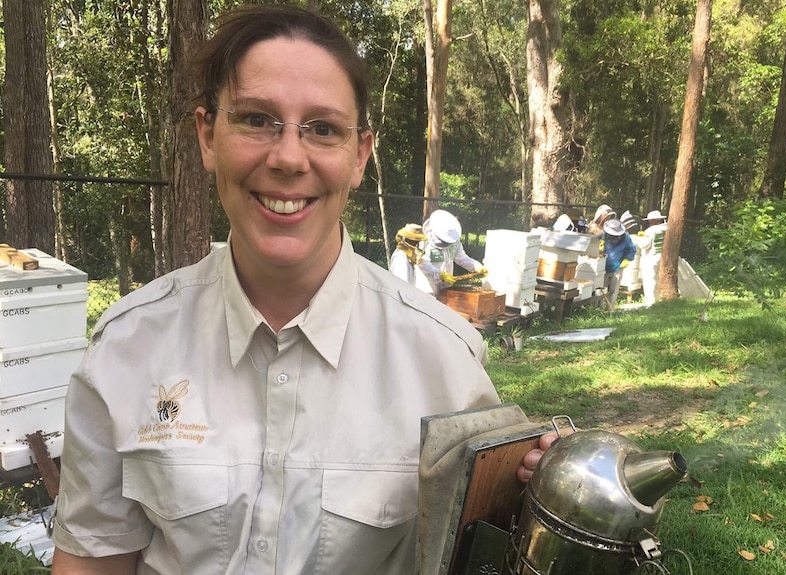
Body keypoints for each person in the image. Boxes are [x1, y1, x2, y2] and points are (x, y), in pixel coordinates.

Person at [50, 6, 543, 574]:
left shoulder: (445, 366)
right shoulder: (125, 351)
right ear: (208, 136)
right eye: (257, 120)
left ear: (360, 156)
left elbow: (481, 552)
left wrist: (536, 497)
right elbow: (91, 562)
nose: (287, 158)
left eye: (324, 128)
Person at [415, 209, 487, 296]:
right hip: (427, 287)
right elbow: (421, 263)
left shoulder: (454, 242)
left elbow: (462, 258)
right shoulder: (423, 242)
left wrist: (476, 266)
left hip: (446, 287)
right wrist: (439, 274)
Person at [600, 218, 637, 310]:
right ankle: (599, 308)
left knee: (614, 289)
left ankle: (610, 308)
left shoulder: (626, 238)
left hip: (618, 267)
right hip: (602, 267)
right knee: (601, 289)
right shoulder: (602, 235)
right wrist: (598, 246)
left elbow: (632, 250)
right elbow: (593, 245)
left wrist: (627, 259)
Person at [640, 209, 668, 306]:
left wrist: (640, 238)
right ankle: (659, 300)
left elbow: (644, 245)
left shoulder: (650, 231)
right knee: (658, 279)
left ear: (652, 220)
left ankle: (650, 303)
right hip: (663, 257)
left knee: (649, 281)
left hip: (650, 258)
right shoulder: (667, 228)